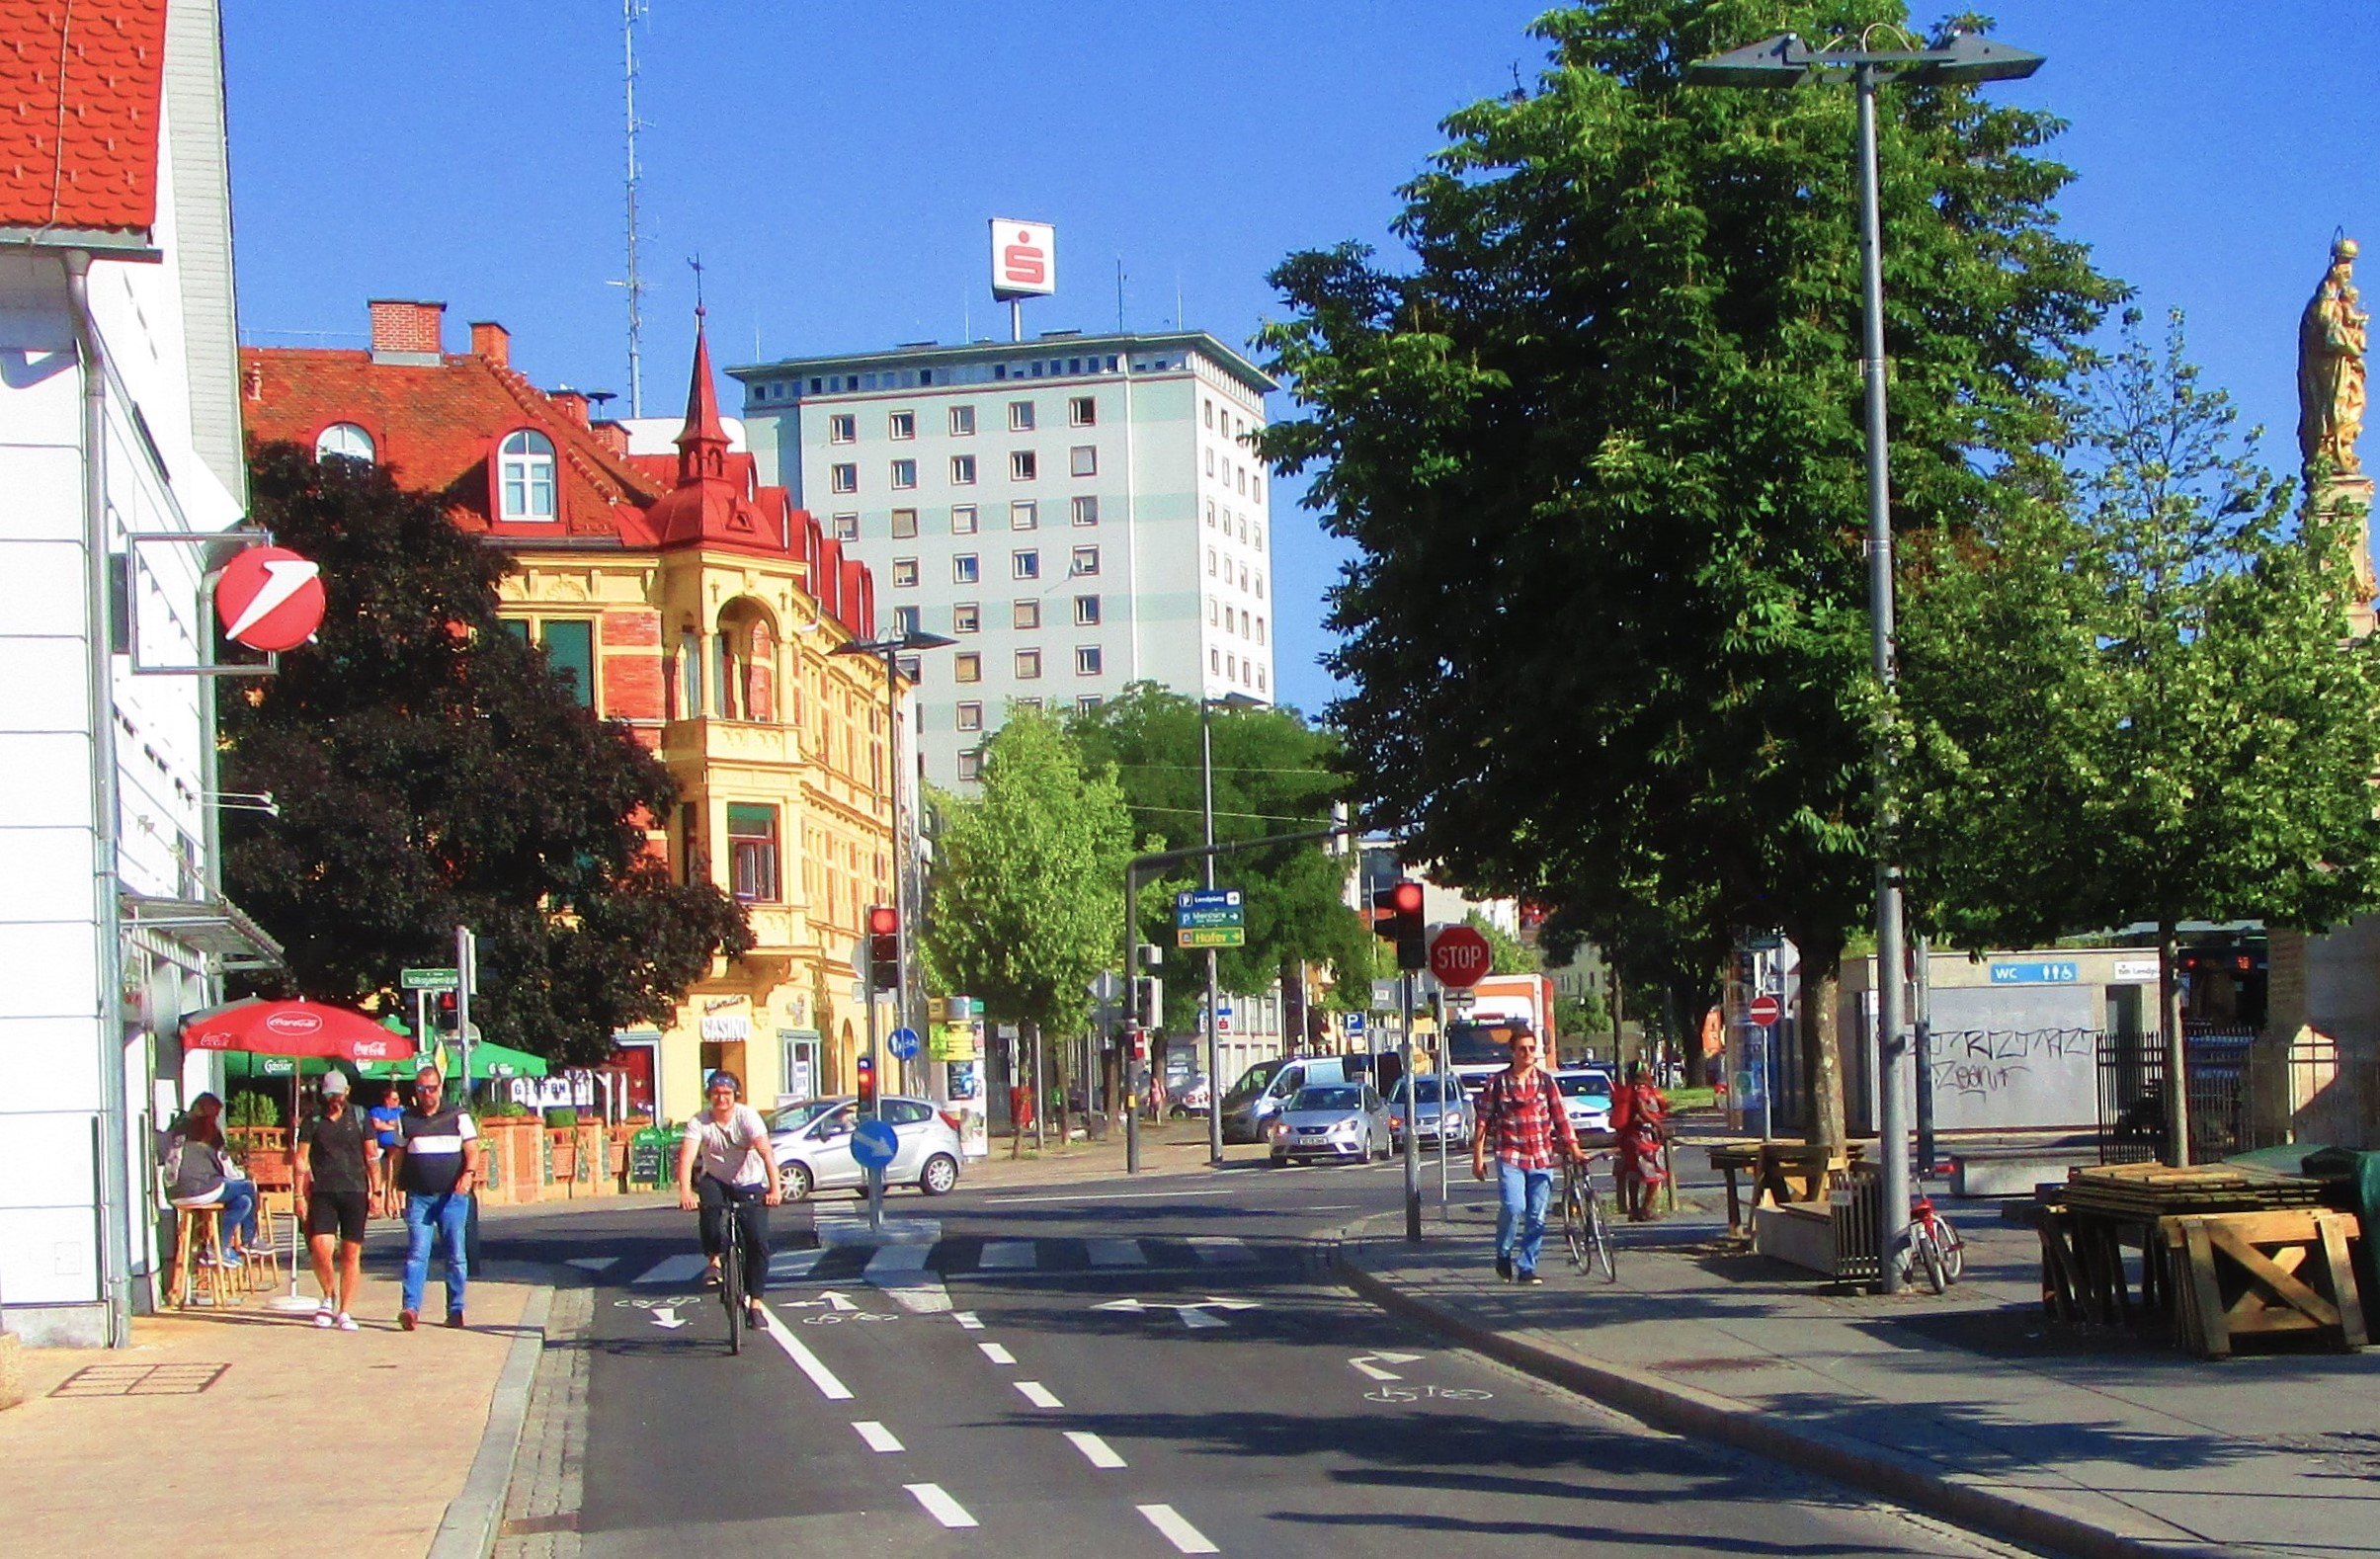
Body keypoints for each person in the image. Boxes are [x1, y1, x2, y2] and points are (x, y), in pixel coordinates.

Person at [1469, 1026, 1581, 1283]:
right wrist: (1478, 1156)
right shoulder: (1497, 1083)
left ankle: (1527, 1266)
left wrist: (1573, 1148)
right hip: (1511, 1155)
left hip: (1542, 1157)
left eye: (1532, 1048)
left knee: (1537, 1215)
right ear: (1513, 1052)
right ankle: (1503, 1253)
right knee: (1514, 1206)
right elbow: (1483, 1121)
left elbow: (1561, 1118)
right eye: (1523, 1049)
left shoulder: (1545, 1082)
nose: (1528, 1053)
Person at [674, 1070, 780, 1331]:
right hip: (717, 1179)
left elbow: (766, 1153)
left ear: (736, 1096)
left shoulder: (747, 1118)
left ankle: (755, 1304)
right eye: (716, 1093)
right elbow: (687, 1158)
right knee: (709, 1212)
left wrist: (775, 1190)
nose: (722, 1099)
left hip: (749, 1181)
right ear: (709, 1095)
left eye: (727, 1094)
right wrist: (686, 1193)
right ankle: (714, 1262)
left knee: (758, 1241)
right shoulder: (700, 1121)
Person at [386, 1065, 480, 1332]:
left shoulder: (457, 1116)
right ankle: (410, 1308)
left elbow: (472, 1150)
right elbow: (396, 1157)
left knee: (455, 1255)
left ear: (440, 1088)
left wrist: (468, 1176)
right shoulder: (407, 1119)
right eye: (421, 1089)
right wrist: (391, 1190)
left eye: (431, 1088)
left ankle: (456, 1310)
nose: (427, 1093)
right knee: (417, 1254)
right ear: (415, 1091)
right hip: (420, 1197)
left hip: (452, 1197)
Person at [294, 1069, 374, 1331]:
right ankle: (328, 1294)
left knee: (351, 1252)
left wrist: (377, 1191)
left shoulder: (360, 1116)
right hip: (323, 1191)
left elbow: (371, 1155)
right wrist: (298, 1193)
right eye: (330, 1095)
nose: (334, 1100)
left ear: (347, 1092)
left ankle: (345, 1310)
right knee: (320, 1247)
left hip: (355, 1190)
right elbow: (301, 1158)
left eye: (338, 1095)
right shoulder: (313, 1120)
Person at [165, 1095, 256, 1272]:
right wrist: (241, 1174)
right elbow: (226, 1167)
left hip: (174, 1192)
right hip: (201, 1189)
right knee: (248, 1187)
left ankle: (219, 1248)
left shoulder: (177, 1127)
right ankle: (250, 1239)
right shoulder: (208, 1131)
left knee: (243, 1202)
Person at [1609, 1061, 1671, 1222]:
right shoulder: (1641, 1090)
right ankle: (1645, 1209)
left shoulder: (1634, 1089)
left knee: (1634, 1174)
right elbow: (1642, 1111)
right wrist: (1659, 1126)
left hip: (1633, 1137)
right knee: (1655, 1174)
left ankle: (1635, 1210)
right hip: (1643, 1137)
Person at [368, 1085, 405, 1216]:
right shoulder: (376, 1111)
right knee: (378, 1176)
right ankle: (379, 1206)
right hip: (380, 1147)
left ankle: (397, 1204)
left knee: (393, 1175)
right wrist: (392, 1125)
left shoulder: (401, 1111)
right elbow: (376, 1124)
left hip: (396, 1147)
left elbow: (402, 1125)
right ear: (386, 1099)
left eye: (398, 1099)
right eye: (394, 1099)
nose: (397, 1102)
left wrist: (387, 1125)